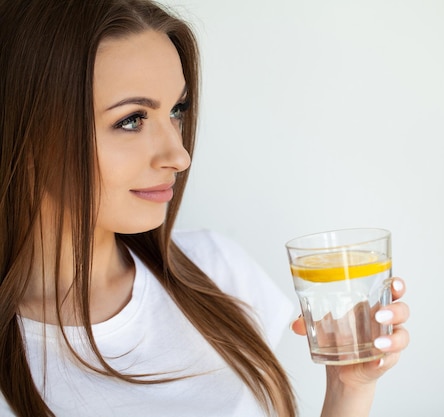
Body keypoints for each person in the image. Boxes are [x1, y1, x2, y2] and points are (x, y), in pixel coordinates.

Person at [0, 0, 410, 416]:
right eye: (132, 120)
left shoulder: (218, 272)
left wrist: (348, 388)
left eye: (177, 110)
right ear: (29, 132)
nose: (179, 155)